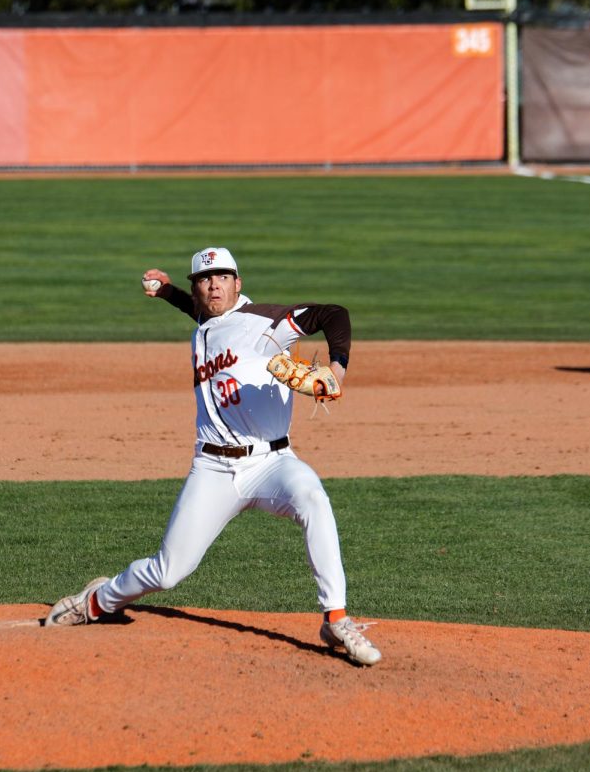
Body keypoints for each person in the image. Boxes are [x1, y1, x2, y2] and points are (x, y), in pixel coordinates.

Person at [45, 246, 381, 666]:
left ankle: (336, 619)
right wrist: (167, 292)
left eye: (222, 277)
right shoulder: (206, 319)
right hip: (213, 469)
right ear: (197, 288)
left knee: (312, 497)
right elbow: (203, 313)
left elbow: (334, 313)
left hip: (271, 463)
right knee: (168, 571)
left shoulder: (269, 322)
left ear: (238, 283)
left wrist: (337, 369)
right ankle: (97, 600)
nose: (213, 284)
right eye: (204, 279)